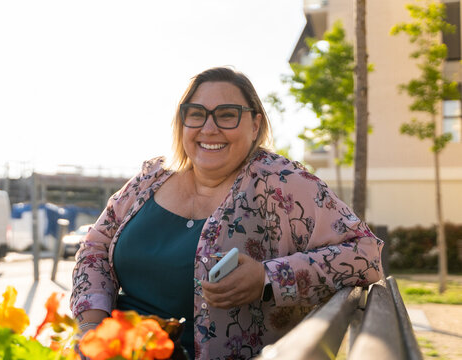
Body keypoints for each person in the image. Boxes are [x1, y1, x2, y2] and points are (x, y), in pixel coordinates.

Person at [70, 67, 384, 359]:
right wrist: (93, 331)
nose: (209, 128)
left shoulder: (283, 183)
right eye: (196, 114)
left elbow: (365, 255)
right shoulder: (153, 176)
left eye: (227, 115)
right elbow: (95, 247)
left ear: (255, 124)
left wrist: (267, 278)